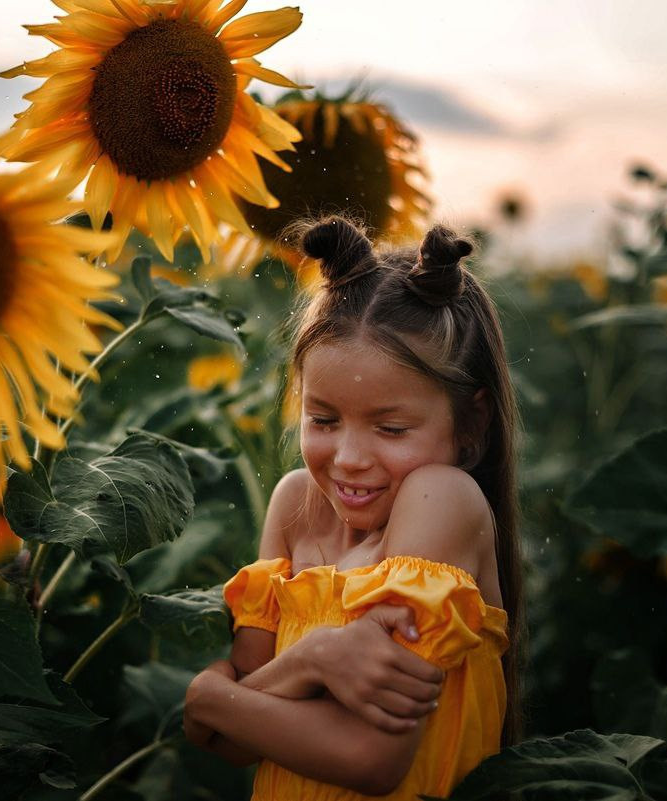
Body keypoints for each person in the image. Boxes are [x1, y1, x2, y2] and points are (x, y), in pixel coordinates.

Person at [183, 215, 523, 799]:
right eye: (323, 419)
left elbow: (370, 758)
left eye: (391, 429)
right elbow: (230, 742)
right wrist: (306, 662)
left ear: (472, 421)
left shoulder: (440, 498)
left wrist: (212, 696)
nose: (348, 459)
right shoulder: (297, 507)